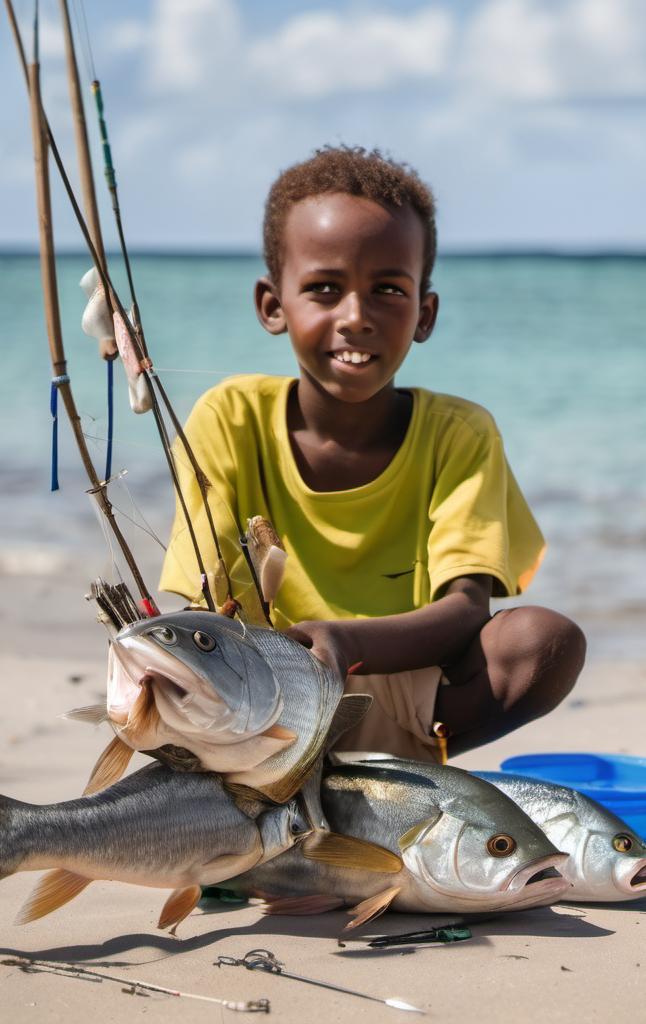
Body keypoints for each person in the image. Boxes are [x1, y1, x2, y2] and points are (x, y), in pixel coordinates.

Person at [159, 145, 585, 763]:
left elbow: (467, 610)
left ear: (424, 312)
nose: (356, 316)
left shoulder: (458, 432)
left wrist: (341, 643)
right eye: (325, 288)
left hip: (408, 696)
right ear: (272, 305)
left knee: (544, 641)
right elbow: (204, 606)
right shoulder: (227, 418)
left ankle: (402, 776)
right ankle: (272, 783)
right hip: (259, 705)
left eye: (387, 289)